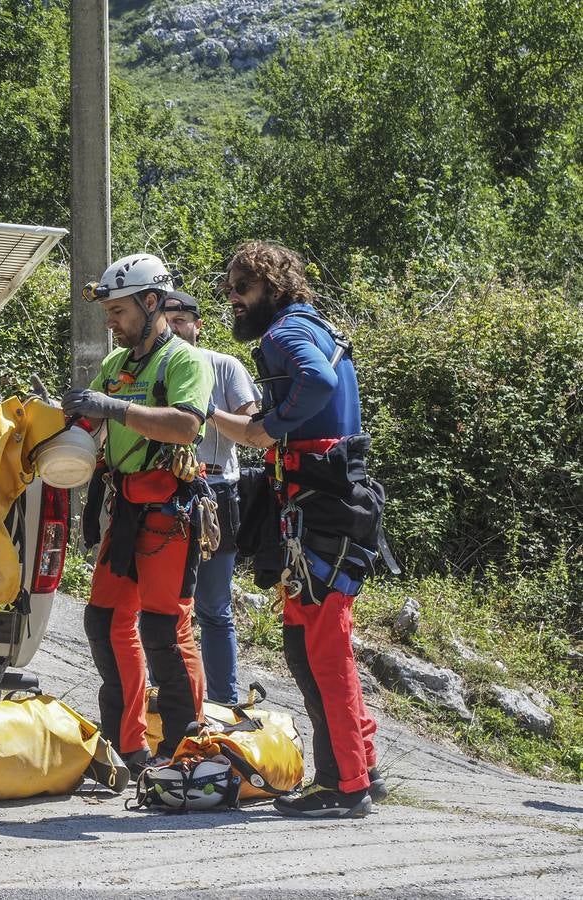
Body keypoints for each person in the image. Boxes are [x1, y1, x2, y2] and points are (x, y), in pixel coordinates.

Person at [207, 240, 387, 819]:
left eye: (242, 288)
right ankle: (362, 765)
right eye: (229, 288)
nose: (232, 298)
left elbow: (321, 385)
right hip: (321, 503)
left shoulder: (285, 334)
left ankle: (347, 784)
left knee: (322, 646)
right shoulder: (312, 325)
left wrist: (270, 428)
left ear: (273, 288)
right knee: (304, 638)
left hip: (320, 509)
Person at [62, 254, 214, 770]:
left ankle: (183, 749)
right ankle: (128, 746)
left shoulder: (185, 361)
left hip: (169, 512)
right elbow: (89, 427)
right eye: (109, 312)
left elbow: (185, 426)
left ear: (153, 304)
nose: (111, 322)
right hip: (126, 509)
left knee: (164, 631)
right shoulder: (115, 365)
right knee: (103, 620)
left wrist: (114, 409)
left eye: (120, 311)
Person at [163, 290, 261, 705]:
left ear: (198, 325)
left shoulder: (224, 366)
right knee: (165, 606)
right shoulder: (153, 368)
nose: (174, 327)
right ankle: (170, 696)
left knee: (214, 607)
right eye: (167, 319)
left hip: (217, 492)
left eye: (182, 319)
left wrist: (206, 411)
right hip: (166, 489)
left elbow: (254, 430)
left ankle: (223, 701)